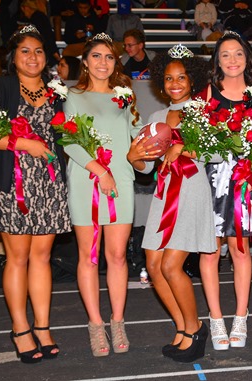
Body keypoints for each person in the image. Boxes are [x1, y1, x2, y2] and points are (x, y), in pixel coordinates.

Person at [0, 25, 71, 363]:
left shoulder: (57, 92)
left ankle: (42, 326)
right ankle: (20, 328)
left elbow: (66, 137)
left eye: (39, 51)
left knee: (42, 258)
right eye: (25, 51)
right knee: (17, 258)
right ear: (13, 57)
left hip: (48, 185)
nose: (33, 57)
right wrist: (23, 143)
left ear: (47, 58)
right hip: (11, 184)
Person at [63, 32, 144, 357]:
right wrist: (100, 171)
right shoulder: (71, 95)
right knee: (88, 257)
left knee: (118, 256)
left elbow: (135, 140)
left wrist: (147, 157)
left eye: (109, 57)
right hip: (87, 181)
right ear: (84, 62)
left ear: (116, 62)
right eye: (96, 56)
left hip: (121, 182)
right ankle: (96, 326)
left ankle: (117, 321)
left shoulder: (125, 97)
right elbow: (69, 141)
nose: (102, 62)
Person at [133, 44, 214, 363]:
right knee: (153, 266)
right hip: (164, 195)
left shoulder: (203, 110)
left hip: (191, 191)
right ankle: (182, 329)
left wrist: (183, 149)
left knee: (170, 265)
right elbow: (147, 168)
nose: (175, 83)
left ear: (192, 80)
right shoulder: (155, 117)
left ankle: (196, 329)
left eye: (181, 77)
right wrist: (134, 158)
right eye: (169, 78)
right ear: (161, 82)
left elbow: (218, 154)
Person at [196, 31, 252, 351]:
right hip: (211, 181)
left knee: (240, 250)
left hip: (244, 181)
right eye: (225, 55)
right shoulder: (205, 94)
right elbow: (195, 140)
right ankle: (215, 318)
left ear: (247, 57)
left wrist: (251, 176)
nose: (232, 60)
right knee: (210, 251)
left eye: (238, 53)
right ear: (217, 61)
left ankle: (240, 316)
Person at [18, 0, 61, 66]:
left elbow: (47, 36)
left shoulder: (38, 18)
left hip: (46, 51)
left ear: (26, 7)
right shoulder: (37, 17)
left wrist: (55, 53)